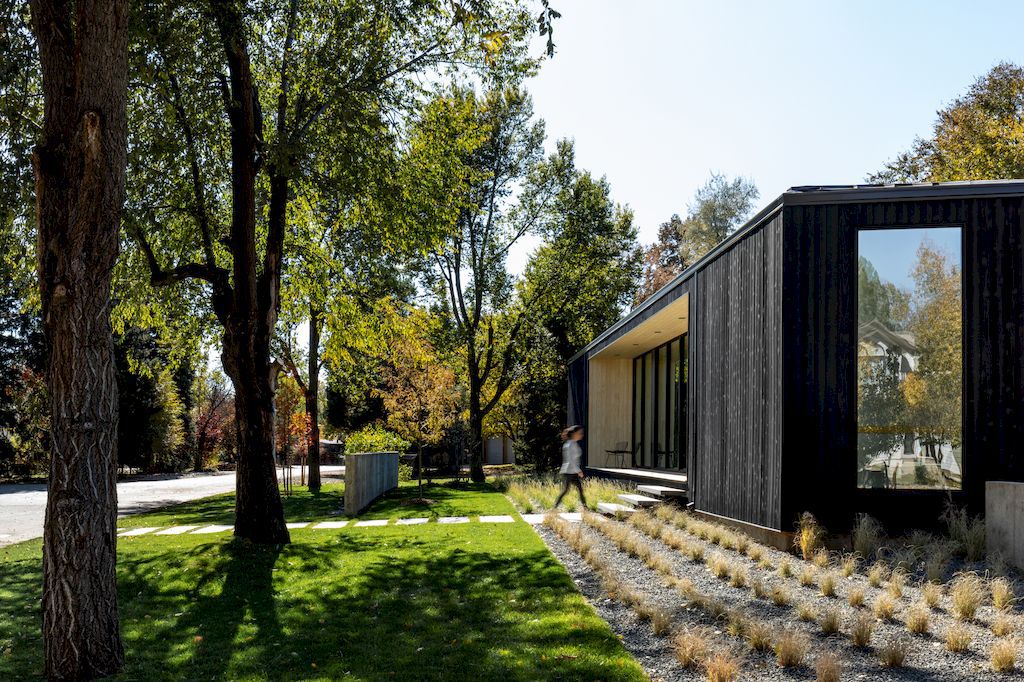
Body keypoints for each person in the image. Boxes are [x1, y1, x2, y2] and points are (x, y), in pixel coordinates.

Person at [554, 425, 587, 508]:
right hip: (569, 471)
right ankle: (554, 507)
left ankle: (585, 508)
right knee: (566, 490)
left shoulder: (573, 443)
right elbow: (571, 460)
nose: (581, 434)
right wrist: (578, 470)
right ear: (574, 433)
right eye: (580, 433)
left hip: (573, 471)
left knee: (579, 490)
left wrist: (577, 470)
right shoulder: (570, 444)